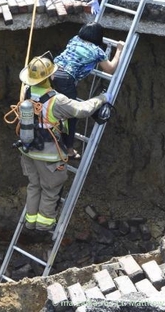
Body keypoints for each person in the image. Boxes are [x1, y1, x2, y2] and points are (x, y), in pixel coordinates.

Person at [17, 57, 109, 231]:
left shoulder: (27, 91)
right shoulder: (56, 100)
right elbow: (82, 110)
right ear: (50, 76)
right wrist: (102, 98)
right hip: (48, 154)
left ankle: (30, 221)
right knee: (51, 189)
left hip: (27, 150)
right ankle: (45, 225)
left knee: (34, 185)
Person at [51, 22, 123, 159]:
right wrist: (119, 50)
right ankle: (69, 150)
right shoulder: (97, 51)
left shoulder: (74, 39)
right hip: (65, 79)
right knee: (71, 115)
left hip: (51, 73)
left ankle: (55, 141)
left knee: (52, 108)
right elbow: (110, 69)